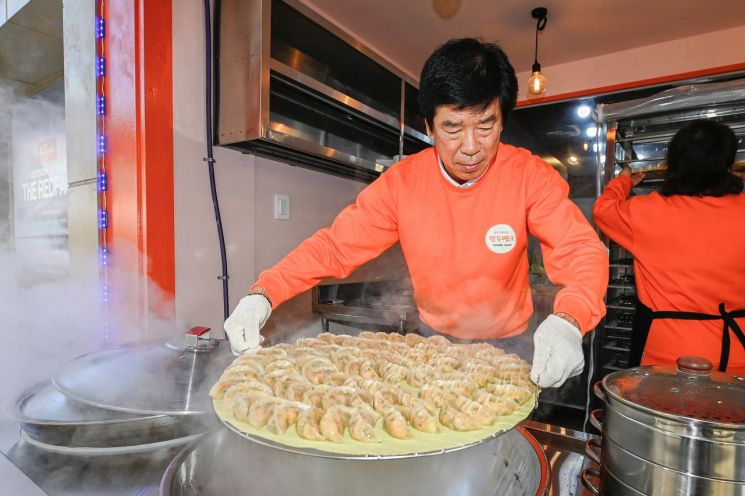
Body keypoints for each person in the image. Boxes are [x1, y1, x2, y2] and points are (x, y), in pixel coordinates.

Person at [225, 38, 609, 388]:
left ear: (503, 120)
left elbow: (581, 252)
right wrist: (264, 292)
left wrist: (569, 320)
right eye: (453, 128)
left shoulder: (528, 175)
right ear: (429, 126)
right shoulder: (402, 183)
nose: (471, 146)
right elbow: (334, 247)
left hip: (511, 344)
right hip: (432, 343)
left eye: (486, 125)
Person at [593, 119, 745, 375]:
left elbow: (603, 209)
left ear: (674, 164)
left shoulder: (647, 212)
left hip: (667, 358)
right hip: (737, 350)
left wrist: (624, 181)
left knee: (661, 413)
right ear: (727, 163)